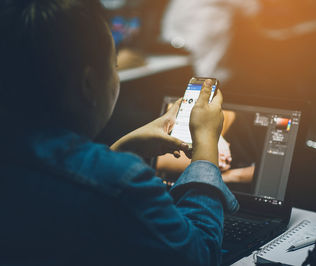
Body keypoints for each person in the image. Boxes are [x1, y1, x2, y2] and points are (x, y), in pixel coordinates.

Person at [0, 1, 238, 265]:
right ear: (89, 85)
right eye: (114, 65)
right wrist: (206, 144)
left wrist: (120, 149)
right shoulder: (122, 181)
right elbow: (200, 255)